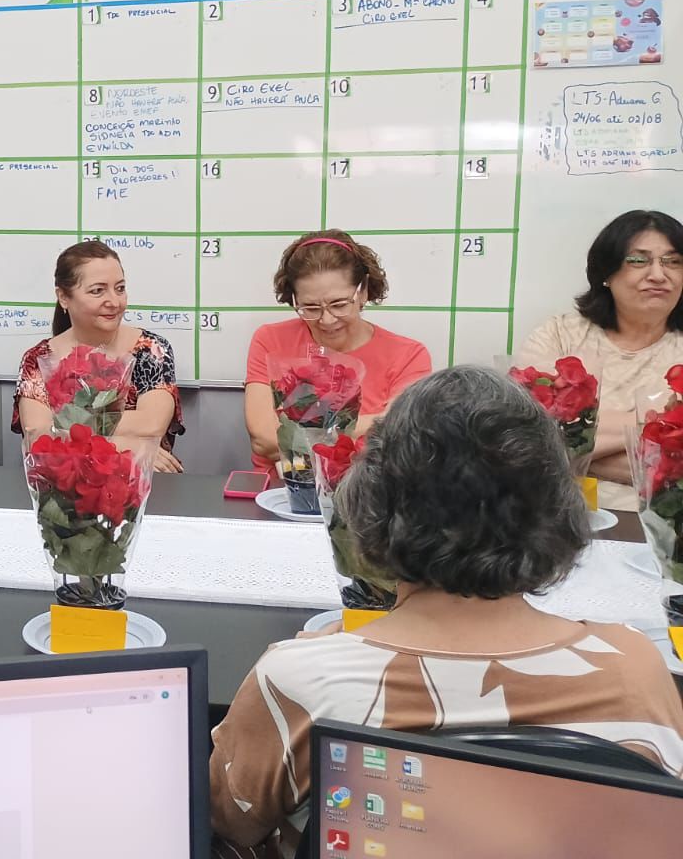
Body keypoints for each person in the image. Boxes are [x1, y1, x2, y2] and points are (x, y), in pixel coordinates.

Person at [210, 366, 683, 857]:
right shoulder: (633, 668)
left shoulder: (302, 678)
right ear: (556, 513)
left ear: (369, 507)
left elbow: (227, 823)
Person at [520, 209, 683, 498]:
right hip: (557, 518)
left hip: (667, 529)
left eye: (673, 262)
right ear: (606, 273)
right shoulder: (559, 336)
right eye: (638, 260)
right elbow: (529, 440)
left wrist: (577, 448)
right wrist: (659, 424)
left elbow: (558, 445)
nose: (658, 275)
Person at [243, 230, 431, 476]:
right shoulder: (270, 340)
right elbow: (264, 439)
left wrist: (296, 436)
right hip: (277, 495)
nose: (327, 319)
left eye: (339, 304)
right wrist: (374, 422)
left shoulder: (408, 355)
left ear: (363, 292)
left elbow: (398, 440)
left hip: (366, 498)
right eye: (310, 307)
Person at [11, 240, 183, 471]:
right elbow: (37, 434)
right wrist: (125, 444)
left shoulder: (151, 350)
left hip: (145, 484)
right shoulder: (39, 359)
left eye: (120, 288)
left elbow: (151, 426)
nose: (114, 302)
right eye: (98, 291)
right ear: (63, 297)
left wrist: (65, 428)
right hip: (64, 489)